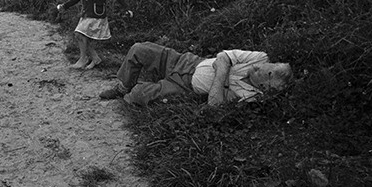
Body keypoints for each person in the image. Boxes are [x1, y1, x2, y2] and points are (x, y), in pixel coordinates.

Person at [99, 42, 292, 106]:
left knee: (138, 95)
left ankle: (130, 92)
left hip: (185, 86)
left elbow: (214, 103)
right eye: (267, 65)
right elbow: (223, 57)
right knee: (139, 49)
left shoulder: (251, 97)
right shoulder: (260, 58)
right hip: (186, 61)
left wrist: (220, 72)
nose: (259, 67)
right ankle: (122, 86)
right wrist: (222, 81)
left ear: (263, 87)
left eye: (262, 72)